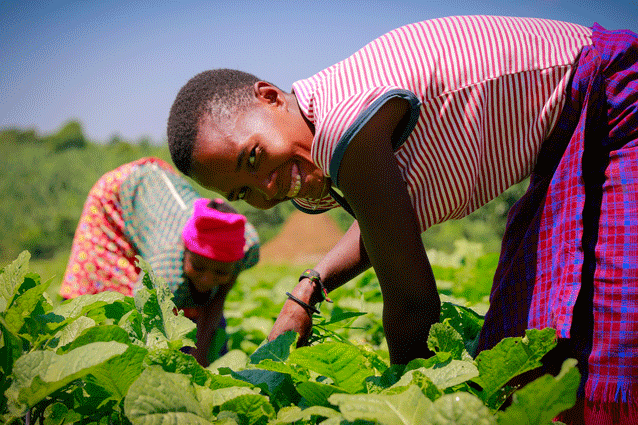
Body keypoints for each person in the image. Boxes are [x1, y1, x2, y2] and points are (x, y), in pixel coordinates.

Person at [166, 15, 638, 424]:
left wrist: (406, 405)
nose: (265, 187)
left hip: (616, 102)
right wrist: (307, 291)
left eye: (253, 157)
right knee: (526, 346)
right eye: (242, 192)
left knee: (611, 349)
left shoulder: (343, 125)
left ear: (270, 96)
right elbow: (380, 228)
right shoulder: (330, 129)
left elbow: (412, 302)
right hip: (573, 140)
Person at [60, 157, 260, 366]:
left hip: (162, 193)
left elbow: (216, 301)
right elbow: (147, 325)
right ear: (185, 252)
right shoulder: (165, 265)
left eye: (220, 272)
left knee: (207, 335)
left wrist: (200, 359)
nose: (208, 279)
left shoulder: (246, 247)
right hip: (120, 194)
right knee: (120, 311)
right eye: (198, 266)